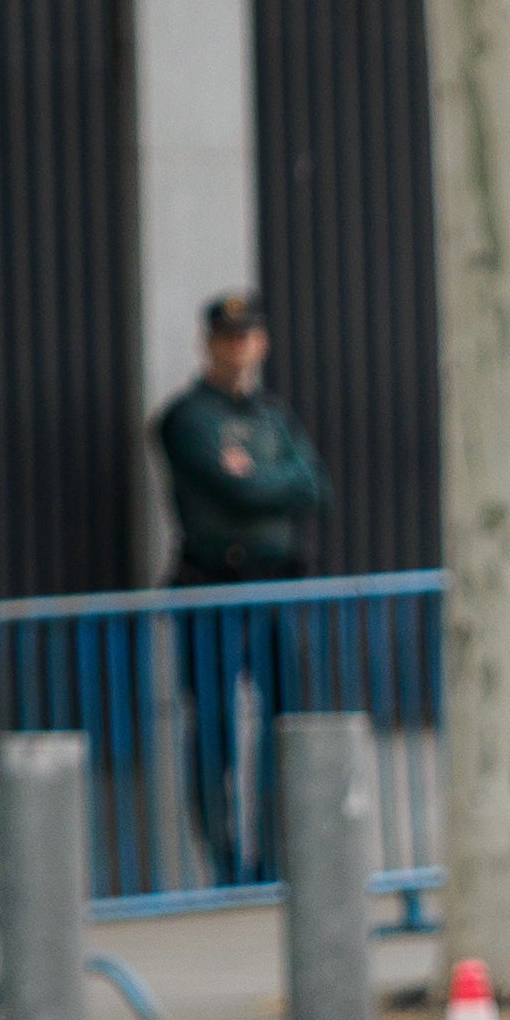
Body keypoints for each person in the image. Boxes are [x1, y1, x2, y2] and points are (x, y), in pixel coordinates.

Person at [156, 292, 329, 889]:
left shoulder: (271, 415)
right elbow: (236, 495)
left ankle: (276, 862)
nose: (241, 347)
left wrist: (259, 476)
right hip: (213, 585)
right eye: (230, 337)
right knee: (216, 732)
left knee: (284, 728)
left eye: (250, 336)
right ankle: (227, 865)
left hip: (275, 585)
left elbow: (311, 483)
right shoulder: (189, 417)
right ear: (210, 342)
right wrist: (264, 483)